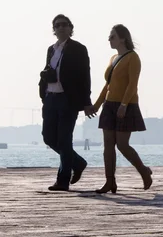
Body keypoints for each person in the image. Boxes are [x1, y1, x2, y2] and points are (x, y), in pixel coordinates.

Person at [91, 24, 152, 193]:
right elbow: (108, 85)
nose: (109, 39)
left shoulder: (133, 58)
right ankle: (110, 181)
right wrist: (96, 105)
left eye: (112, 36)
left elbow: (133, 85)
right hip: (109, 105)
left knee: (122, 145)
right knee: (108, 145)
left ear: (122, 38)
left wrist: (124, 104)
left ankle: (144, 171)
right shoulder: (113, 58)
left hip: (126, 104)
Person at [39, 14, 95, 191]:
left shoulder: (78, 49)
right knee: (49, 137)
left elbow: (85, 76)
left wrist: (86, 102)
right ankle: (77, 163)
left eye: (65, 25)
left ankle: (62, 180)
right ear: (53, 30)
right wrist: (42, 92)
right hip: (50, 98)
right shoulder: (51, 49)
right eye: (58, 25)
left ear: (71, 28)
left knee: (64, 139)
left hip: (67, 99)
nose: (61, 28)